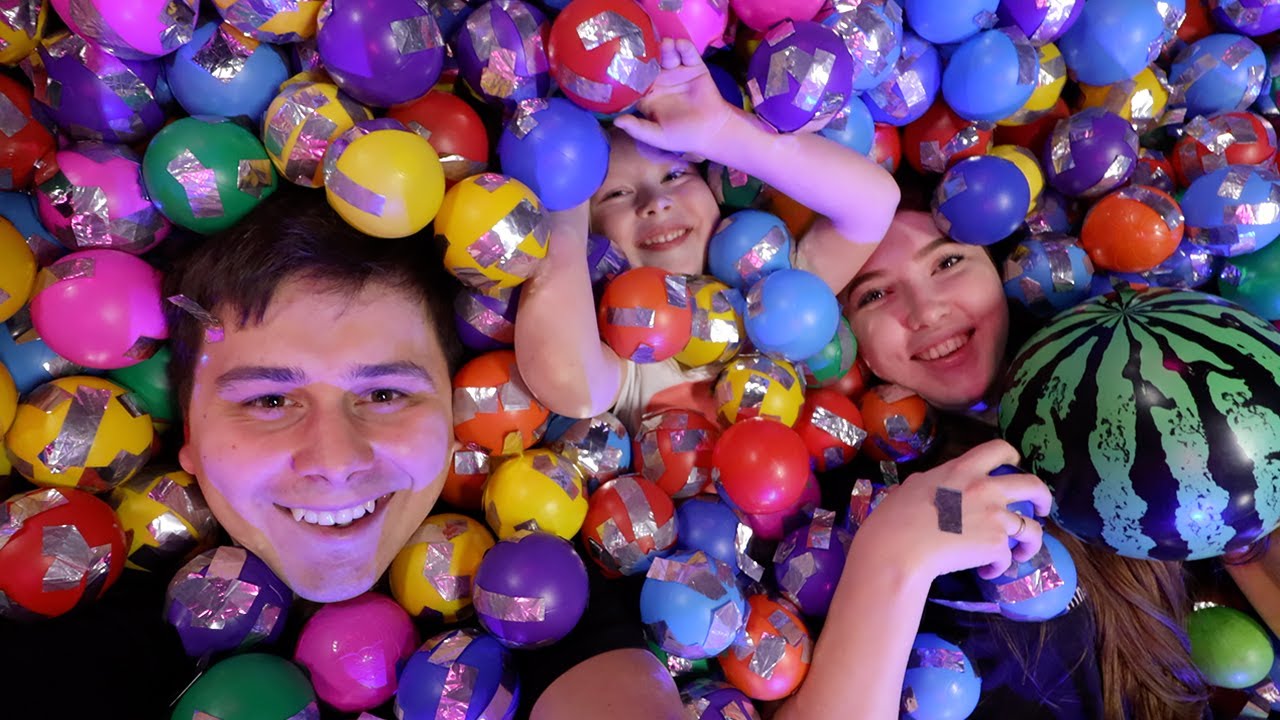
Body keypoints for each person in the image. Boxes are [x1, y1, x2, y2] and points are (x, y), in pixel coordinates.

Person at [0, 187, 685, 719]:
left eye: (385, 394)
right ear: (189, 443)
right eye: (270, 401)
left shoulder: (542, 594)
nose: (334, 459)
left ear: (455, 421)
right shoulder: (84, 630)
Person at [771, 208, 1212, 720]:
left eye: (947, 263)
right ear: (850, 345)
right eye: (874, 295)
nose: (926, 311)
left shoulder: (1130, 406)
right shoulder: (847, 504)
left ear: (1002, 275)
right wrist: (889, 554)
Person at [514, 38, 901, 432]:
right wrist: (566, 202)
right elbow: (568, 381)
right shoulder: (630, 353)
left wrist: (722, 131)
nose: (656, 202)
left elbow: (874, 202)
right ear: (592, 237)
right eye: (615, 195)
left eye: (674, 175)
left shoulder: (775, 289)